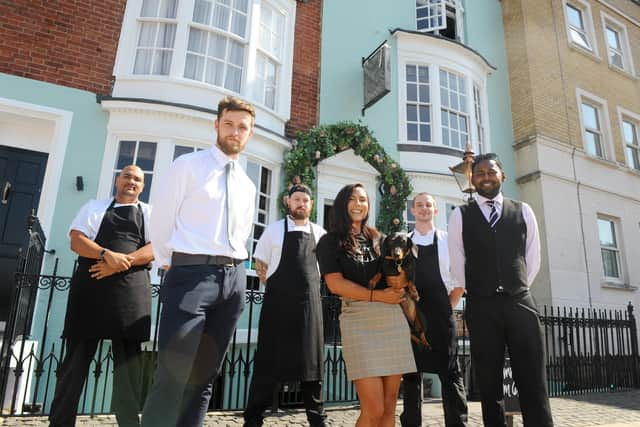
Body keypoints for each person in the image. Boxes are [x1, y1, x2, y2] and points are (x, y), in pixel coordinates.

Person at [141, 96, 257, 427]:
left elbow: (242, 235)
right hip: (191, 276)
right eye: (229, 124)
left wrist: (237, 276)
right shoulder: (187, 166)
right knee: (172, 376)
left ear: (250, 134)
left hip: (233, 280)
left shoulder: (247, 185)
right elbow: (161, 220)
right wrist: (169, 259)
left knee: (205, 378)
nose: (235, 131)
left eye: (243, 127)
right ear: (217, 125)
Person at [448, 153, 553, 427]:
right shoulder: (460, 215)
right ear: (472, 178)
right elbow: (458, 262)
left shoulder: (523, 210)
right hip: (482, 307)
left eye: (490, 172)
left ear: (501, 176)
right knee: (489, 383)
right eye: (479, 173)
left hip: (520, 303)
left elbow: (533, 257)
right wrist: (479, 290)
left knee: (532, 379)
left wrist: (515, 287)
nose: (485, 177)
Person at [49, 165, 153, 427]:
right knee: (73, 366)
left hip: (130, 294)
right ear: (118, 180)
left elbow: (157, 247)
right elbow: (76, 241)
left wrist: (120, 262)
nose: (132, 181)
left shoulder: (150, 213)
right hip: (90, 293)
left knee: (128, 372)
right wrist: (106, 255)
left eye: (138, 179)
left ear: (142, 186)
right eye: (127, 176)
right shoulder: (93, 207)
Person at [316, 183, 416, 427]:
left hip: (392, 319)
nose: (358, 204)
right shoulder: (329, 241)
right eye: (352, 199)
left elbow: (397, 275)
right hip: (357, 318)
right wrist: (378, 296)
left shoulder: (379, 238)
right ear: (342, 203)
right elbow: (335, 284)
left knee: (389, 406)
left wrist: (403, 276)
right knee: (374, 408)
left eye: (363, 199)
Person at [243, 184, 327, 427]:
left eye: (305, 200)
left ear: (311, 205)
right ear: (288, 203)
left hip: (309, 309)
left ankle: (317, 420)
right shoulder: (273, 231)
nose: (301, 203)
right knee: (268, 365)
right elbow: (261, 269)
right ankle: (253, 420)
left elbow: (325, 272)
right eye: (297, 199)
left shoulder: (320, 234)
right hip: (277, 309)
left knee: (312, 368)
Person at [400, 193, 468, 427]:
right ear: (413, 211)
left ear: (435, 210)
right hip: (412, 316)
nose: (424, 209)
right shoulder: (404, 243)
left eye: (428, 205)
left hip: (441, 315)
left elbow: (460, 281)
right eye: (419, 205)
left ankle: (458, 423)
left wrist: (446, 308)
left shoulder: (448, 241)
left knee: (450, 373)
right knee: (411, 375)